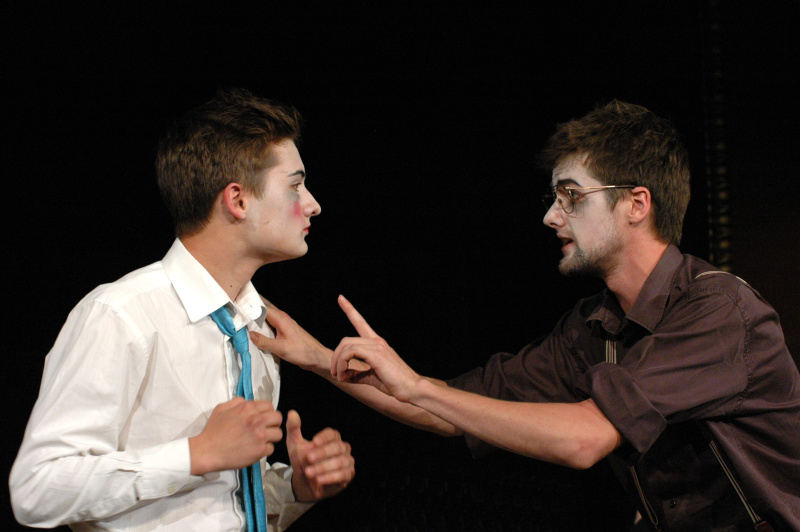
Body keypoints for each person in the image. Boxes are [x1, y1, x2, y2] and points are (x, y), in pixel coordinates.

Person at [250, 101, 800, 530]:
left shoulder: (718, 311)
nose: (551, 216)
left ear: (637, 204)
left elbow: (585, 439)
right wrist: (318, 357)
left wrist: (417, 387)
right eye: (554, 197)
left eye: (571, 196)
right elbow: (453, 409)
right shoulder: (591, 328)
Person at [10, 88, 355, 531]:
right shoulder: (122, 315)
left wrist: (295, 487)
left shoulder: (253, 327)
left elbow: (220, 500)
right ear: (238, 200)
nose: (312, 204)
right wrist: (196, 453)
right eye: (295, 185)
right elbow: (37, 489)